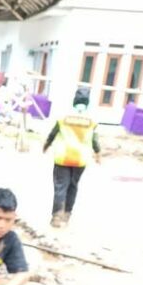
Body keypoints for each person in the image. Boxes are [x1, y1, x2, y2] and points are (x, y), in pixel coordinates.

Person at [43, 87, 100, 227]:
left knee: (60, 186)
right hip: (80, 159)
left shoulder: (63, 117)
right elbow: (94, 140)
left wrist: (46, 145)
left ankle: (56, 216)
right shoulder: (92, 119)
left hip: (63, 157)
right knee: (73, 186)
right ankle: (67, 215)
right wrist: (98, 153)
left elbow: (53, 133)